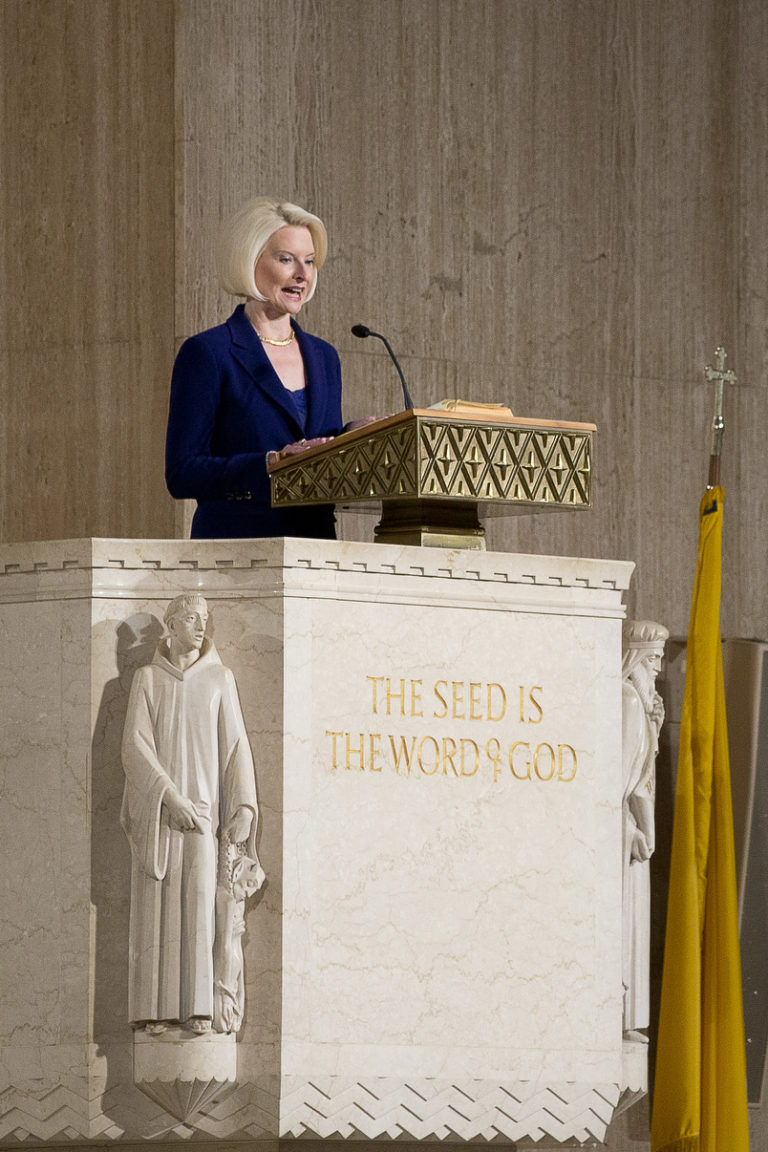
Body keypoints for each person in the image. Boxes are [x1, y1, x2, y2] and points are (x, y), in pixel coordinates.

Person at [120, 593, 264, 1034]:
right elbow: (134, 746)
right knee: (159, 909)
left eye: (205, 619)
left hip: (203, 815)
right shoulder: (147, 679)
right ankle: (156, 1012)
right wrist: (168, 796)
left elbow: (236, 746)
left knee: (200, 907)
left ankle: (199, 1007)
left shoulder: (220, 679)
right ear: (171, 624)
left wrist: (242, 806)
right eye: (190, 618)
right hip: (162, 814)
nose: (200, 627)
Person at [165, 196, 346, 539]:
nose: (302, 274)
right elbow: (182, 472)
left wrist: (358, 436)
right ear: (251, 261)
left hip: (316, 550)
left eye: (309, 261)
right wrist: (268, 464)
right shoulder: (208, 353)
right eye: (286, 260)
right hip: (238, 550)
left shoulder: (325, 358)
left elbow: (321, 454)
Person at [621, 618, 668, 1041]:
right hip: (628, 834)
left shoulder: (639, 702)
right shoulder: (627, 700)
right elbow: (626, 783)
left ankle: (629, 1020)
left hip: (636, 835)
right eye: (652, 660)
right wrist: (636, 829)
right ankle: (621, 1018)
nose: (657, 671)